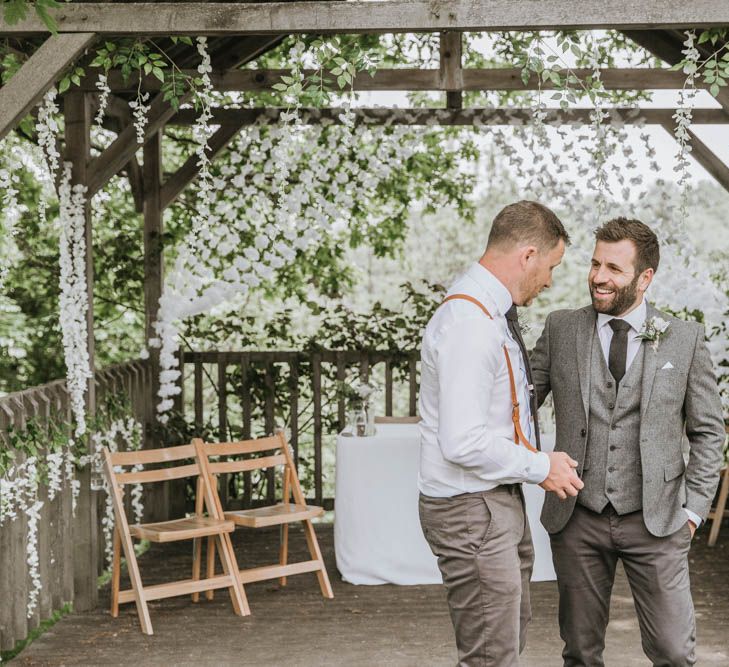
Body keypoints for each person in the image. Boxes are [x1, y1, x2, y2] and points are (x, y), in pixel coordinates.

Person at [530, 217, 725, 667]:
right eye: (595, 264)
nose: (599, 276)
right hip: (577, 516)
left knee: (675, 652)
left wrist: (693, 511)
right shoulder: (561, 328)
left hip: (659, 520)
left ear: (645, 278)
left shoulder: (685, 339)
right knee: (580, 652)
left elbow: (709, 431)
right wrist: (534, 462)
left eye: (614, 269)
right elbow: (519, 406)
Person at [418, 200, 584, 667]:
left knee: (507, 639)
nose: (549, 280)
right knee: (491, 655)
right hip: (473, 509)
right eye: (551, 266)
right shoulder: (470, 325)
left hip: (492, 502)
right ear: (528, 255)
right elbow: (463, 441)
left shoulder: (490, 315)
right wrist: (540, 466)